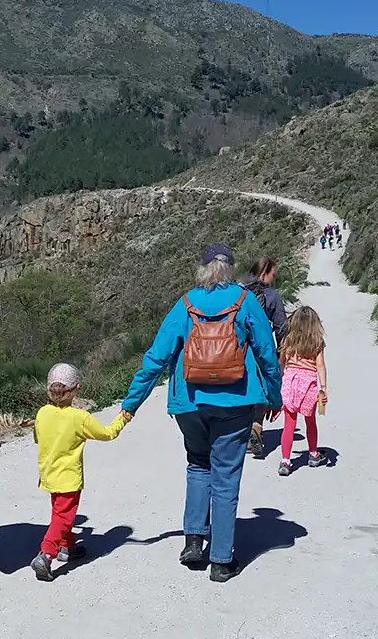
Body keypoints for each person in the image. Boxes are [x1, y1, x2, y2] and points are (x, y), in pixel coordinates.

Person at [122, 244, 282, 582]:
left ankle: (193, 542)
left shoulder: (186, 303)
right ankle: (221, 560)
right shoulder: (245, 301)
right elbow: (267, 353)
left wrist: (131, 404)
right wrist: (274, 395)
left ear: (202, 269)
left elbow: (156, 357)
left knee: (198, 464)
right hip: (236, 402)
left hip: (190, 404)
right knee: (225, 477)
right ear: (231, 269)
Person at [30, 363, 131, 581]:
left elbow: (38, 438)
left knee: (60, 514)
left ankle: (68, 548)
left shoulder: (42, 413)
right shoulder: (79, 417)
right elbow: (107, 434)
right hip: (68, 479)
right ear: (76, 388)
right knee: (64, 518)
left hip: (48, 475)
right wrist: (123, 418)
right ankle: (46, 554)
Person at [238, 257, 286, 459]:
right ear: (264, 273)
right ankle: (256, 427)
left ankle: (240, 433)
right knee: (263, 387)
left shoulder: (238, 292)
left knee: (242, 388)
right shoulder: (271, 296)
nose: (274, 278)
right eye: (273, 274)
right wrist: (282, 354)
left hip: (238, 349)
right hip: (262, 348)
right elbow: (282, 327)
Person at [276, 305, 328, 476]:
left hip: (290, 382)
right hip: (308, 385)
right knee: (310, 421)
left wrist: (279, 381)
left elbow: (282, 362)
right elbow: (320, 365)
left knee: (289, 424)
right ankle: (313, 454)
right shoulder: (317, 341)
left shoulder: (288, 340)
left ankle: (285, 461)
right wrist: (323, 387)